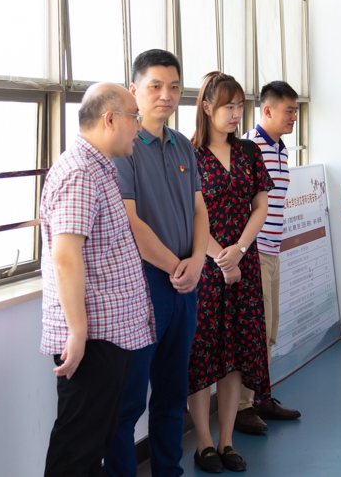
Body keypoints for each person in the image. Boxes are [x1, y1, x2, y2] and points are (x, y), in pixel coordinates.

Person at [40, 83, 156, 477]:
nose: (139, 127)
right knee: (77, 450)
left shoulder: (99, 168)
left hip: (110, 334)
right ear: (110, 119)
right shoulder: (79, 173)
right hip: (92, 338)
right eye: (134, 117)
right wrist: (77, 332)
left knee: (94, 444)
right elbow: (65, 256)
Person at [104, 49, 210, 477]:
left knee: (172, 394)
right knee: (127, 403)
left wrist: (198, 260)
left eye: (174, 87)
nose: (166, 95)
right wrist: (176, 266)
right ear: (134, 90)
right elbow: (130, 222)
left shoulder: (183, 144)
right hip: (143, 286)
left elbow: (200, 209)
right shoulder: (122, 148)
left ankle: (169, 471)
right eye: (155, 86)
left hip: (186, 285)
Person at [187, 71, 275, 474]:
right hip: (204, 266)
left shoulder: (249, 152)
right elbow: (190, 214)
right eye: (228, 106)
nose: (237, 113)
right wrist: (220, 257)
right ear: (207, 107)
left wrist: (238, 251)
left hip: (244, 261)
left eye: (240, 105)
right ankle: (204, 443)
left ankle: (226, 440)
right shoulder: (189, 155)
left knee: (237, 353)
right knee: (203, 354)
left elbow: (261, 205)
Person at [234, 81, 302, 434]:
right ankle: (243, 407)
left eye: (296, 111)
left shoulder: (281, 149)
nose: (294, 117)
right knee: (255, 333)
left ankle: (260, 397)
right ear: (267, 110)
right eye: (289, 110)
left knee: (270, 332)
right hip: (253, 252)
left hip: (274, 251)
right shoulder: (249, 148)